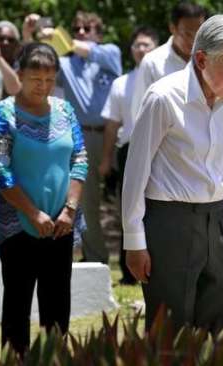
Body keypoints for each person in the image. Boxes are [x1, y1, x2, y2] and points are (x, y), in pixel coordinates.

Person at [122, 14, 223, 333]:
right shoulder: (164, 97)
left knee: (219, 325)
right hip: (170, 224)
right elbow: (135, 172)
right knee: (171, 328)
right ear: (201, 58)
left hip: (217, 221)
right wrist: (133, 240)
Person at [0, 42, 88, 355]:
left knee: (57, 305)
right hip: (18, 224)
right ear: (19, 75)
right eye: (35, 80)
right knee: (16, 306)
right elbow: (0, 168)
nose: (42, 87)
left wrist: (69, 210)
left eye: (48, 80)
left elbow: (80, 156)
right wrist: (32, 213)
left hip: (61, 223)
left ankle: (54, 360)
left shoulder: (65, 109)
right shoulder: (5, 112)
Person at [57, 10, 121, 264]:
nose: (82, 33)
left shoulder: (110, 53)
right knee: (87, 202)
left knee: (128, 204)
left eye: (88, 28)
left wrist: (63, 39)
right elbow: (32, 62)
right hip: (82, 138)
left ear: (99, 33)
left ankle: (133, 264)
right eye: (77, 29)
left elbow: (93, 51)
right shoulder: (66, 62)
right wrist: (32, 35)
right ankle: (96, 258)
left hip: (114, 136)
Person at [98, 26, 158, 285]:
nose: (141, 49)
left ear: (157, 47)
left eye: (146, 44)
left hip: (161, 150)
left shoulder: (168, 77)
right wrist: (105, 158)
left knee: (156, 208)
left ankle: (157, 263)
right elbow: (112, 124)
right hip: (129, 149)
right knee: (130, 208)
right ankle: (128, 272)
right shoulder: (121, 83)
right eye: (137, 45)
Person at [130, 1, 207, 121]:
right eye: (187, 34)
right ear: (173, 28)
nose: (193, 40)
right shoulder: (153, 62)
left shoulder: (209, 60)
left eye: (199, 33)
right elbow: (140, 112)